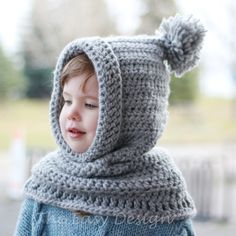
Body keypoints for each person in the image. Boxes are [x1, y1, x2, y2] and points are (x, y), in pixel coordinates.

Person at [14, 15, 205, 236]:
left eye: (89, 104)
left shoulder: (159, 198)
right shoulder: (46, 185)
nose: (72, 114)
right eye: (67, 100)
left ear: (132, 117)